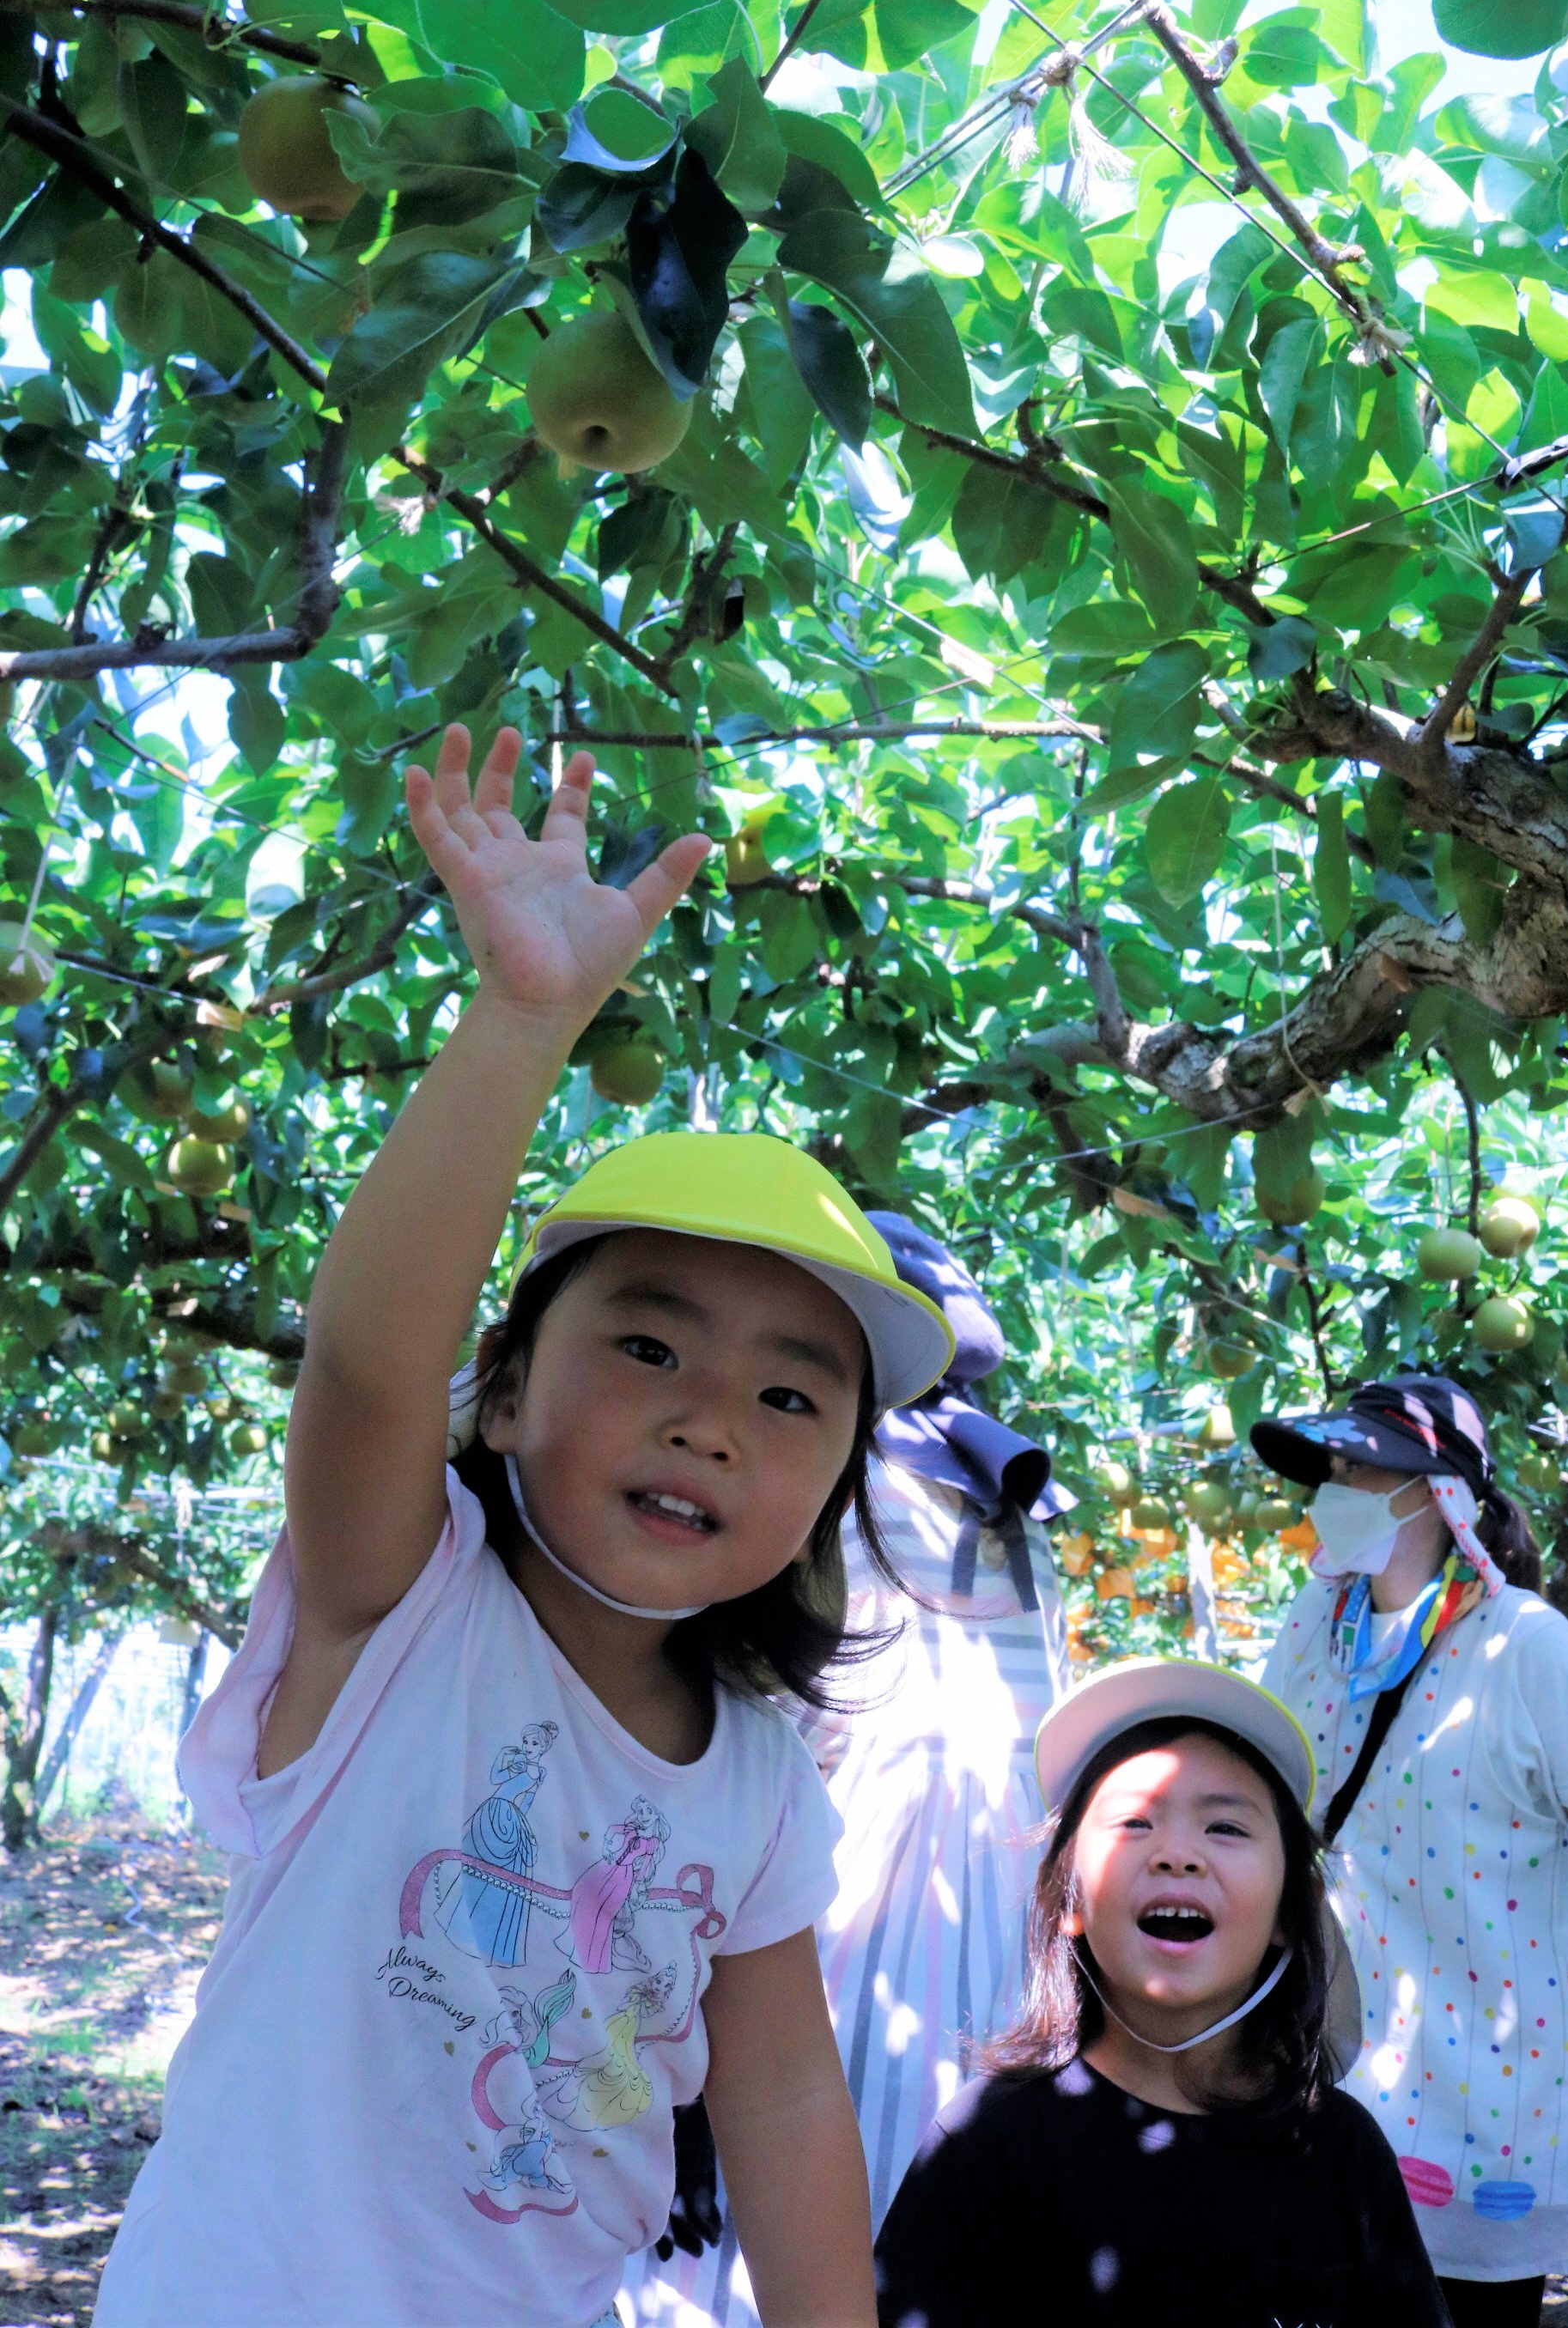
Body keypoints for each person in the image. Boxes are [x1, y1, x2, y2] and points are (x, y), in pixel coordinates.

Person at [94, 726, 961, 2328]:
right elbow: (364, 1362)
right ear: (500, 1398)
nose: (710, 1415)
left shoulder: (760, 1787)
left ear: (830, 1500)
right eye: (647, 1346)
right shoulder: (401, 1610)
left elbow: (780, 2106)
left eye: (792, 1402)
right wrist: (525, 1020)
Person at [629, 1217, 1069, 2325]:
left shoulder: (827, 1483)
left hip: (837, 1883)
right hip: (994, 1899)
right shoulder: (1016, 1506)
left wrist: (686, 2102)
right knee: (921, 2196)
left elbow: (753, 1717)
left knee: (780, 2168)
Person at [1252, 1375, 1568, 2327]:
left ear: (1436, 1492)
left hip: (1489, 2089)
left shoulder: (1524, 1646)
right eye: (1328, 1464)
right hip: (1331, 2066)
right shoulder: (1313, 1630)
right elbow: (1262, 1799)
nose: (1330, 1485)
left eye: (1358, 1464)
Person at [872, 1657, 1449, 2326]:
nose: (1178, 1853)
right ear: (1066, 1898)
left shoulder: (1339, 2153)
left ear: (1293, 1911)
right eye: (1134, 1824)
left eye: (1226, 1827)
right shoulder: (986, 2145)